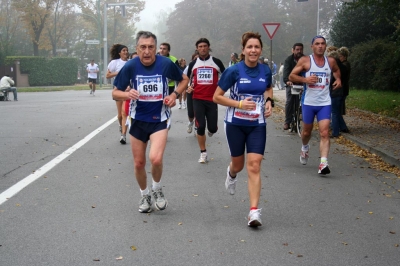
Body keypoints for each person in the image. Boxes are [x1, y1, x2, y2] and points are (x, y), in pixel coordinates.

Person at [112, 31, 189, 213]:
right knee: (139, 163)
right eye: (143, 47)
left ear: (156, 48)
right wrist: (126, 94)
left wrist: (174, 95)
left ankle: (157, 188)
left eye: (151, 47)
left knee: (155, 159)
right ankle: (144, 194)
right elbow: (115, 93)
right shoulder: (131, 66)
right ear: (137, 49)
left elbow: (184, 80)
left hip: (159, 120)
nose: (147, 51)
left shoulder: (165, 63)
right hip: (138, 120)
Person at [213, 31, 273, 227]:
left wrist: (269, 101)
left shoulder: (265, 70)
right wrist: (239, 105)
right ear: (243, 50)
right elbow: (217, 97)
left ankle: (254, 212)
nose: (253, 50)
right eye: (250, 47)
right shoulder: (234, 71)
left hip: (257, 124)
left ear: (260, 49)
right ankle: (231, 174)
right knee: (238, 165)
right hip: (235, 124)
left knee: (254, 165)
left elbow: (268, 88)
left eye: (256, 47)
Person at [289, 35, 341, 175]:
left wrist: (338, 79)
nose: (320, 46)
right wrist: (305, 79)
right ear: (312, 46)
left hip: (325, 102)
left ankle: (323, 163)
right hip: (309, 103)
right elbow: (292, 76)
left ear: (325, 46)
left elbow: (336, 70)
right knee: (307, 132)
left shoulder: (330, 61)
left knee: (324, 132)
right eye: (317, 44)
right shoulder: (305, 60)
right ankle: (305, 148)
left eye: (322, 44)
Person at [185, 38, 225, 163]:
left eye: (205, 46)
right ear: (197, 48)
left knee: (212, 128)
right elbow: (185, 80)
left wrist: (221, 88)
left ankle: (212, 130)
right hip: (197, 98)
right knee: (200, 126)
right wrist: (188, 87)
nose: (202, 48)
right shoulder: (193, 64)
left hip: (212, 98)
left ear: (208, 47)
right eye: (200, 46)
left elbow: (226, 76)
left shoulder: (216, 62)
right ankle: (203, 153)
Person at [106, 44, 129, 144]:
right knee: (120, 115)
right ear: (119, 53)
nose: (125, 52)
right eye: (123, 50)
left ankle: (123, 135)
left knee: (125, 113)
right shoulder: (115, 62)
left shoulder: (130, 62)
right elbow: (108, 75)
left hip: (128, 90)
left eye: (127, 50)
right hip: (119, 89)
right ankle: (121, 126)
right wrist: (119, 73)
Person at [283, 43, 304, 130]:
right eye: (297, 49)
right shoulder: (289, 60)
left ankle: (304, 117)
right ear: (293, 50)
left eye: (300, 49)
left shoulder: (306, 59)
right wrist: (287, 81)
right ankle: (287, 121)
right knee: (289, 101)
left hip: (302, 83)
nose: (299, 51)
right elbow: (286, 72)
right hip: (291, 84)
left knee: (305, 101)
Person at [328, 50, 348, 138]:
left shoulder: (335, 69)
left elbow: (331, 80)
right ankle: (343, 127)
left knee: (334, 112)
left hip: (335, 91)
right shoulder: (344, 67)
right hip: (342, 91)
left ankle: (335, 132)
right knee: (337, 111)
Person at [184, 51, 199, 134]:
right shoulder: (189, 66)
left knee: (198, 111)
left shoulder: (204, 67)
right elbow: (183, 79)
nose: (197, 61)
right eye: (195, 59)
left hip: (200, 92)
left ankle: (197, 127)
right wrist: (187, 86)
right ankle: (190, 122)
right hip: (190, 91)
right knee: (191, 113)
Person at [338, 46, 351, 133]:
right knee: (337, 109)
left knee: (337, 110)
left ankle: (343, 127)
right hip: (343, 89)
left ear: (344, 56)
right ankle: (339, 125)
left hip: (342, 89)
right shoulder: (345, 64)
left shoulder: (345, 65)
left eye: (340, 56)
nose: (339, 58)